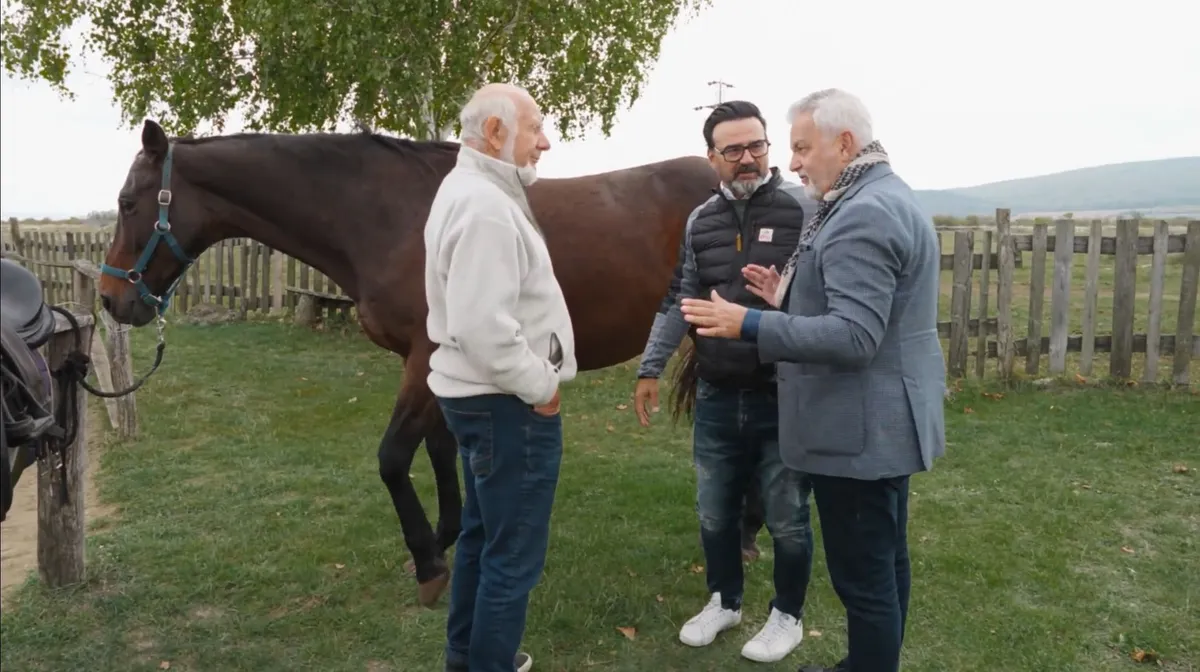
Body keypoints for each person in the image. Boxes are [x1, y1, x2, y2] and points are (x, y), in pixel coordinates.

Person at [679, 88, 947, 672]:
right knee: (885, 563)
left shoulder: (863, 214)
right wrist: (791, 297)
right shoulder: (883, 194)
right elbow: (871, 312)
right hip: (883, 423)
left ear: (844, 143)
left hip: (858, 433)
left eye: (801, 147)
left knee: (864, 578)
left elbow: (854, 336)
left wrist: (750, 321)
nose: (793, 162)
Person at [632, 100, 817, 664]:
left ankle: (787, 616)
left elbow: (825, 298)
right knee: (714, 511)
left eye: (756, 145)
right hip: (716, 392)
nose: (748, 158)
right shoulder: (701, 220)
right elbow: (680, 298)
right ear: (712, 157)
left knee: (787, 516)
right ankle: (725, 602)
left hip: (783, 393)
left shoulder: (804, 209)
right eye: (733, 149)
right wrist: (650, 367)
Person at [423, 82, 576, 672]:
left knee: (483, 538)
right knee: (512, 557)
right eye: (535, 127)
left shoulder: (465, 189)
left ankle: (465, 658)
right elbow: (483, 327)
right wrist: (542, 388)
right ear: (495, 132)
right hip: (506, 403)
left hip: (476, 399)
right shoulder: (485, 206)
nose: (545, 141)